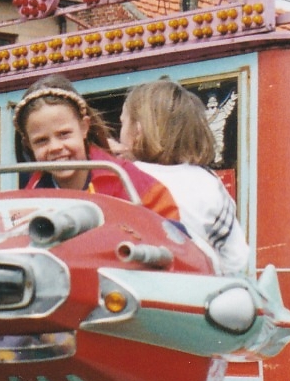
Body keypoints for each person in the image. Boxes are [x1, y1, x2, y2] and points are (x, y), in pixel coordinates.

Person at [120, 78, 251, 275]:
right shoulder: (209, 182)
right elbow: (236, 259)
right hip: (197, 286)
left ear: (137, 130)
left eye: (122, 123)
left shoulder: (123, 176)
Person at [14, 75, 178, 217]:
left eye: (64, 134)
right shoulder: (29, 198)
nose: (55, 147)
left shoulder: (124, 177)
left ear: (84, 127)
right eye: (41, 140)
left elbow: (169, 225)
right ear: (29, 144)